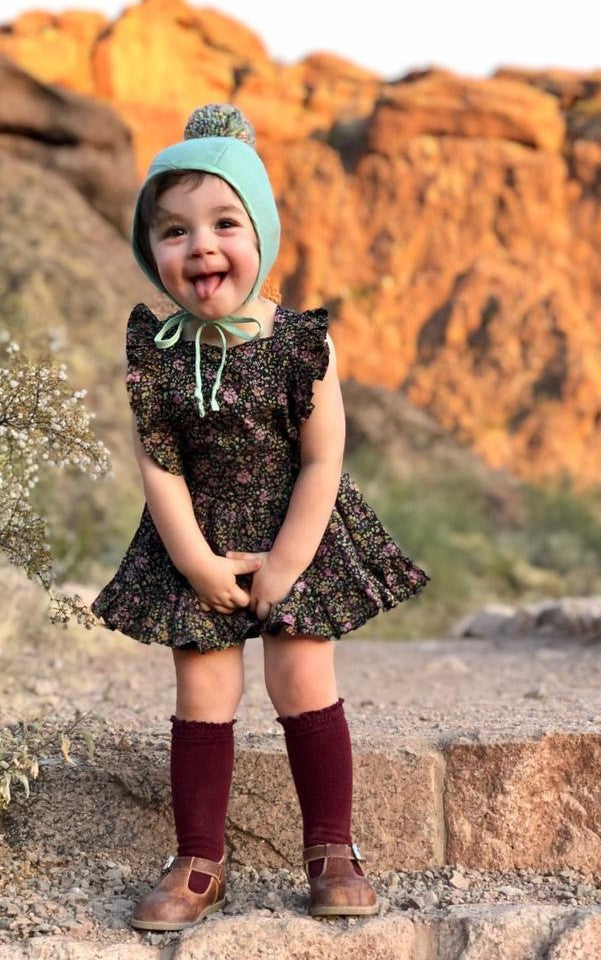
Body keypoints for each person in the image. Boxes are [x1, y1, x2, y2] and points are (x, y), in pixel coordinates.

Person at [92, 103, 429, 932]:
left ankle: (333, 849)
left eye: (224, 223)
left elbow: (322, 458)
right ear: (151, 250)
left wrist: (286, 561)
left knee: (302, 677)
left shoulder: (299, 342)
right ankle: (198, 859)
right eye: (174, 231)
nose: (200, 245)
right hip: (197, 538)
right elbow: (160, 467)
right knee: (204, 689)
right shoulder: (157, 355)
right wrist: (196, 563)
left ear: (261, 235)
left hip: (294, 532)